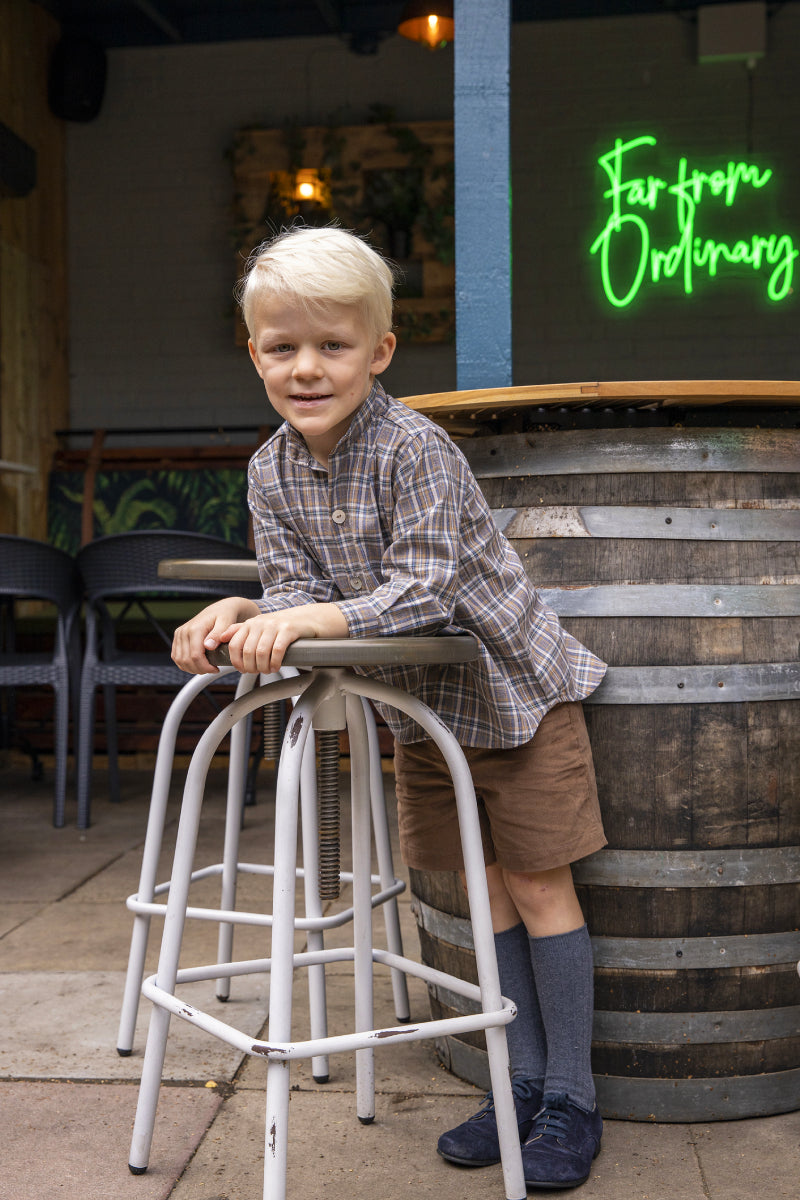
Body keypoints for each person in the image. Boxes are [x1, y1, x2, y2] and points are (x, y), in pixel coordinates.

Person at [172, 224, 607, 1190]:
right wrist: (243, 609)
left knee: (539, 887)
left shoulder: (418, 449)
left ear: (380, 352)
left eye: (332, 346)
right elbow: (292, 596)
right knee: (481, 889)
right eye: (283, 348)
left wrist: (312, 611)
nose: (307, 368)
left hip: (512, 696)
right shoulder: (269, 470)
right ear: (255, 355)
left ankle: (573, 1096)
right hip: (424, 712)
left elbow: (425, 593)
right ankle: (518, 1080)